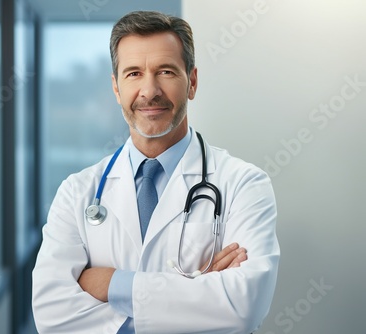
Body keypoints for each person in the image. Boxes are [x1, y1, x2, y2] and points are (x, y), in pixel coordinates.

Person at [32, 10, 279, 334]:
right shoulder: (77, 192)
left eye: (165, 71)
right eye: (134, 73)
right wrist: (198, 298)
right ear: (116, 87)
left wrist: (112, 284)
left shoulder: (244, 184)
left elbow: (243, 308)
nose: (149, 91)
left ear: (191, 82)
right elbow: (51, 314)